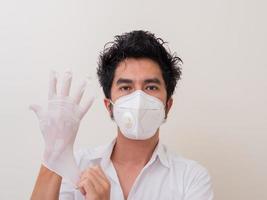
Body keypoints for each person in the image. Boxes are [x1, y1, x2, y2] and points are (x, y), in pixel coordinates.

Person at [30, 30, 214, 200]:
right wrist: (54, 156)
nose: (138, 98)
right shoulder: (76, 166)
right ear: (109, 106)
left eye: (151, 87)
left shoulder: (190, 178)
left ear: (168, 105)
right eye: (126, 87)